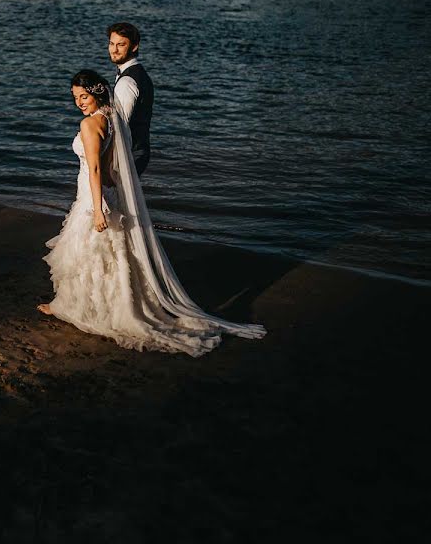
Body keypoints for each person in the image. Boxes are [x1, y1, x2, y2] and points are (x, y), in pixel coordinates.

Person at [37, 70, 265, 356]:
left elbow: (95, 168)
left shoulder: (89, 124)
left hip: (93, 195)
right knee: (108, 255)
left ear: (96, 94)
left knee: (90, 253)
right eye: (75, 98)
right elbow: (110, 169)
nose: (80, 102)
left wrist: (97, 208)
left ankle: (85, 308)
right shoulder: (112, 119)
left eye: (84, 96)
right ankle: (87, 304)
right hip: (106, 191)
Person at [108, 22, 153, 176]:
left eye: (120, 45)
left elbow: (120, 126)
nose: (114, 50)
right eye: (111, 43)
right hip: (139, 150)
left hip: (130, 153)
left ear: (134, 47)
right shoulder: (139, 73)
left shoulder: (127, 82)